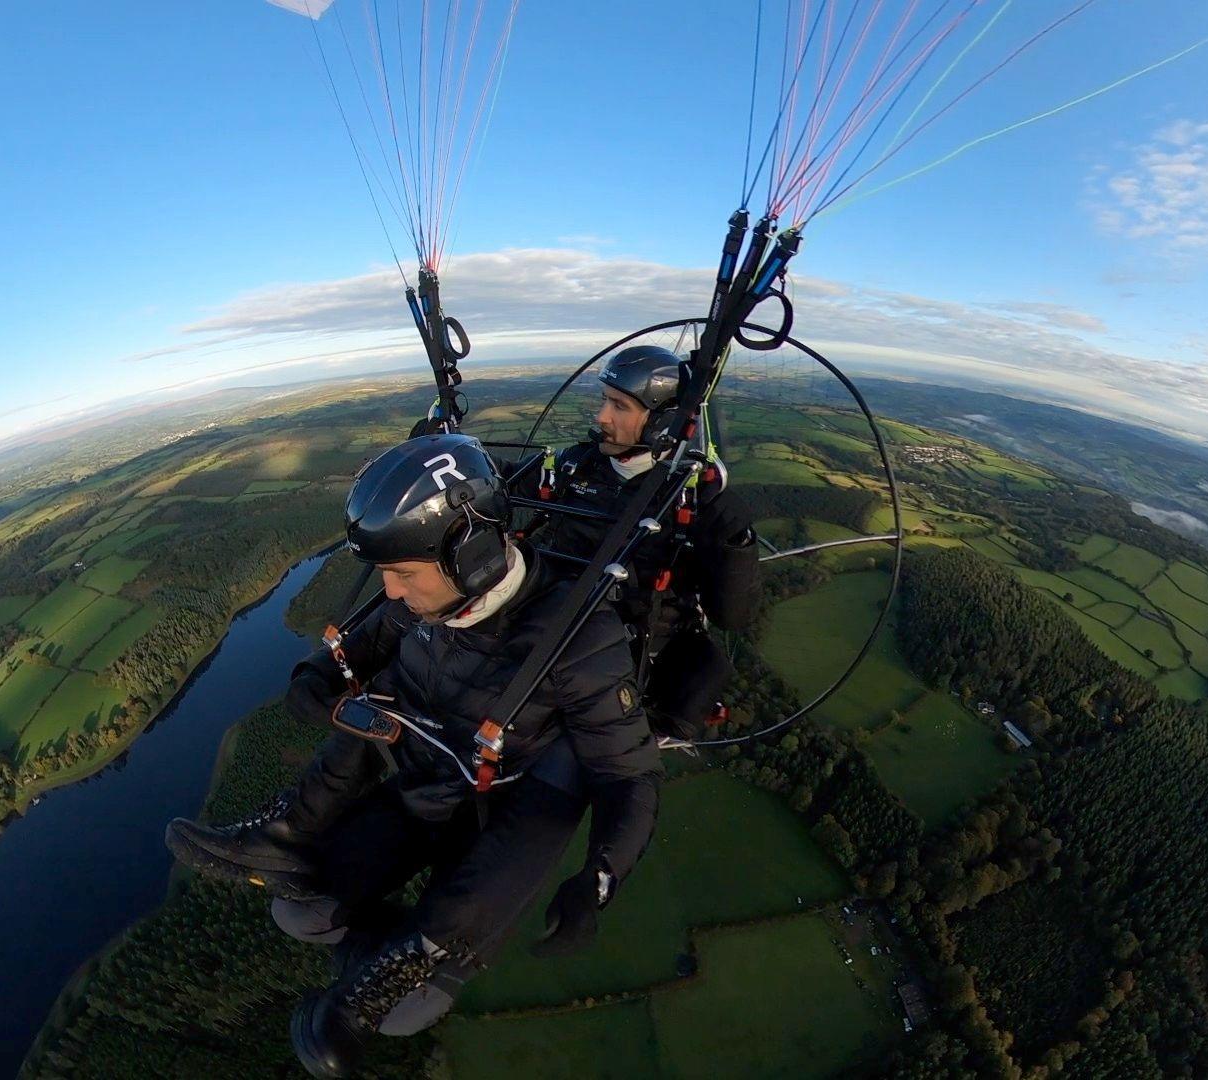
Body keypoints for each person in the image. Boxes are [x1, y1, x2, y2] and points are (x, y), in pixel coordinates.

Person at [163, 433, 660, 1079]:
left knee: (405, 1011)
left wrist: (600, 877)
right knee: (299, 911)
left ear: (471, 554)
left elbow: (628, 773)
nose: (391, 593)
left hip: (501, 824)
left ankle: (403, 962)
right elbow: (353, 655)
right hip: (420, 788)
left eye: (402, 574)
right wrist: (316, 680)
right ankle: (289, 834)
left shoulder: (576, 642)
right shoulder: (421, 605)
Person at [518, 344, 760, 740]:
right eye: (604, 400)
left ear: (660, 422)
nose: (602, 417)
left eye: (620, 406)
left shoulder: (690, 497)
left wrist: (737, 543)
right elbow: (506, 482)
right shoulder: (575, 465)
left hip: (624, 667)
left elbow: (733, 616)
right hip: (546, 637)